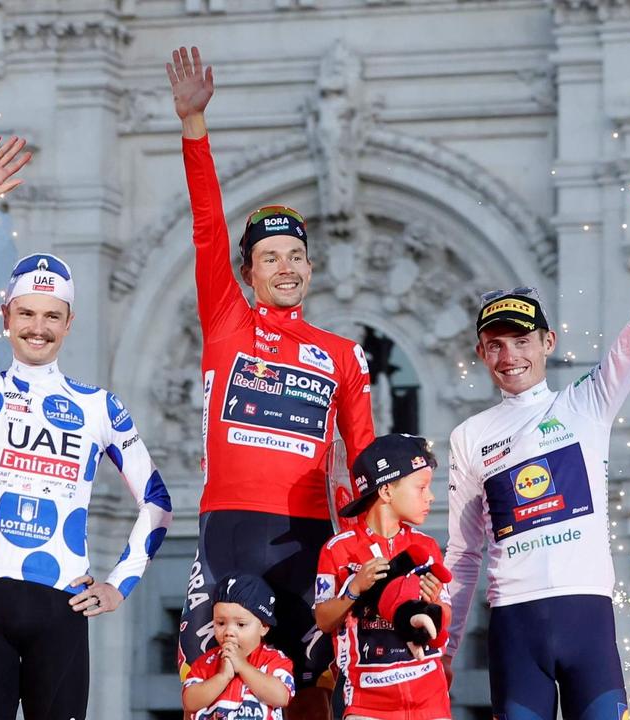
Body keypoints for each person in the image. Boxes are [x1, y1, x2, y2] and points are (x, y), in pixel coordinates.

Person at [0, 136, 173, 720]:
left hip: (63, 607)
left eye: (51, 316)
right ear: (6, 317)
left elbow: (157, 504)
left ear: (69, 323)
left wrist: (121, 583)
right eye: (27, 314)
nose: (38, 327)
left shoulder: (99, 407)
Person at [443, 151, 630, 720]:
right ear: (483, 354)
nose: (511, 356)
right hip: (514, 626)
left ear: (548, 342)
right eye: (497, 345)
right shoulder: (469, 436)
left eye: (523, 341)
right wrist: (444, 655)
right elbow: (463, 556)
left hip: (587, 621)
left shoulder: (586, 403)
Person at [167, 46, 377, 719]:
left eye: (295, 257)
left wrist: (368, 539)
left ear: (310, 269)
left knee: (314, 687)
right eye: (269, 257)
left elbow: (366, 456)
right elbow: (205, 228)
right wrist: (194, 126)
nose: (285, 267)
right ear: (249, 271)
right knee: (218, 689)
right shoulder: (227, 322)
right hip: (230, 528)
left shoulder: (342, 353)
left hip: (309, 535)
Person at [314, 434, 452, 720]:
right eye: (421, 487)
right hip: (367, 702)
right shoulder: (338, 548)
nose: (431, 497)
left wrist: (434, 601)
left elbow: (445, 619)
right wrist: (354, 589)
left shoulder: (425, 546)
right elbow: (323, 620)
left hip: (430, 698)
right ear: (387, 491)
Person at [183, 574, 295, 720]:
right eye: (221, 623)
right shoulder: (205, 662)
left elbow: (281, 697)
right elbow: (190, 702)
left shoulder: (273, 660)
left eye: (241, 624)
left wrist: (242, 666)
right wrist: (223, 676)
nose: (229, 632)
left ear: (264, 627)